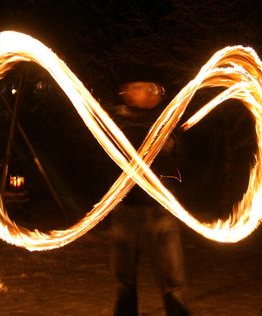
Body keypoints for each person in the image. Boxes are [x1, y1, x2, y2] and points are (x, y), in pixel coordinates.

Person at [109, 79, 190, 316]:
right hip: (126, 209)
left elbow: (182, 164)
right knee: (124, 282)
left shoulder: (166, 124)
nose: (143, 93)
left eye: (150, 89)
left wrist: (173, 147)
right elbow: (103, 162)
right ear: (126, 92)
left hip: (160, 210)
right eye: (136, 88)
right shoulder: (117, 123)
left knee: (173, 283)